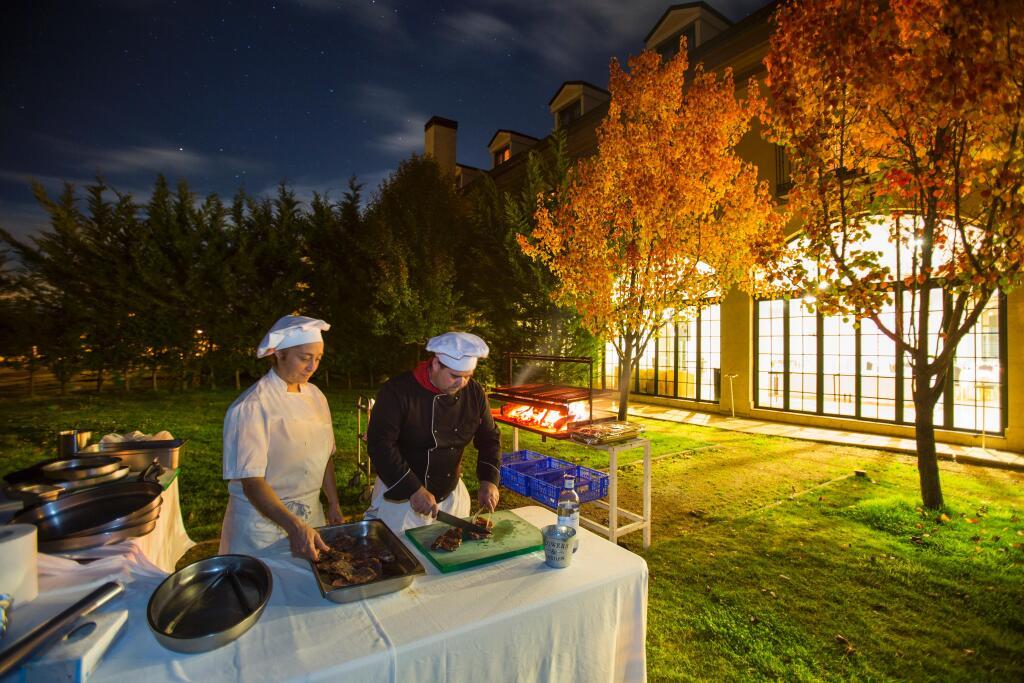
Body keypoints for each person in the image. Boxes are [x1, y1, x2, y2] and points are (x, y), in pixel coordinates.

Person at [219, 315, 343, 560]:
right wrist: (294, 526)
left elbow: (325, 457)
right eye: (305, 358)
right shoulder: (252, 406)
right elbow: (252, 482)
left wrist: (334, 503)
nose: (312, 367)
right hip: (262, 529)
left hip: (310, 518)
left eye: (318, 358)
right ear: (279, 353)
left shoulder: (316, 396)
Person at [364, 331, 501, 533]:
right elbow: (380, 445)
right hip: (401, 497)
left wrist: (489, 479)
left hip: (451, 497)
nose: (462, 383)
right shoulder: (397, 392)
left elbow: (489, 438)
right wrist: (413, 488)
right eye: (455, 376)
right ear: (436, 364)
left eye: (468, 376)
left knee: (451, 548)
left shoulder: (474, 393)